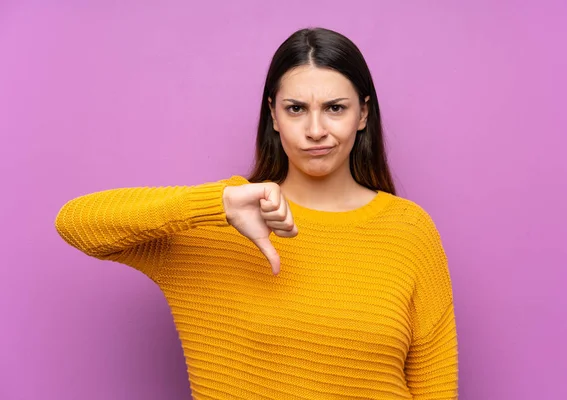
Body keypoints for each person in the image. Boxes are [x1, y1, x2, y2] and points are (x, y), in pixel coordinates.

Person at [55, 27, 459, 399]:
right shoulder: (216, 224)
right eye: (296, 108)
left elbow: (435, 388)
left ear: (363, 114)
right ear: (273, 115)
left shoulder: (409, 230)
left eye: (335, 108)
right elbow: (76, 222)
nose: (316, 129)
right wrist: (218, 203)